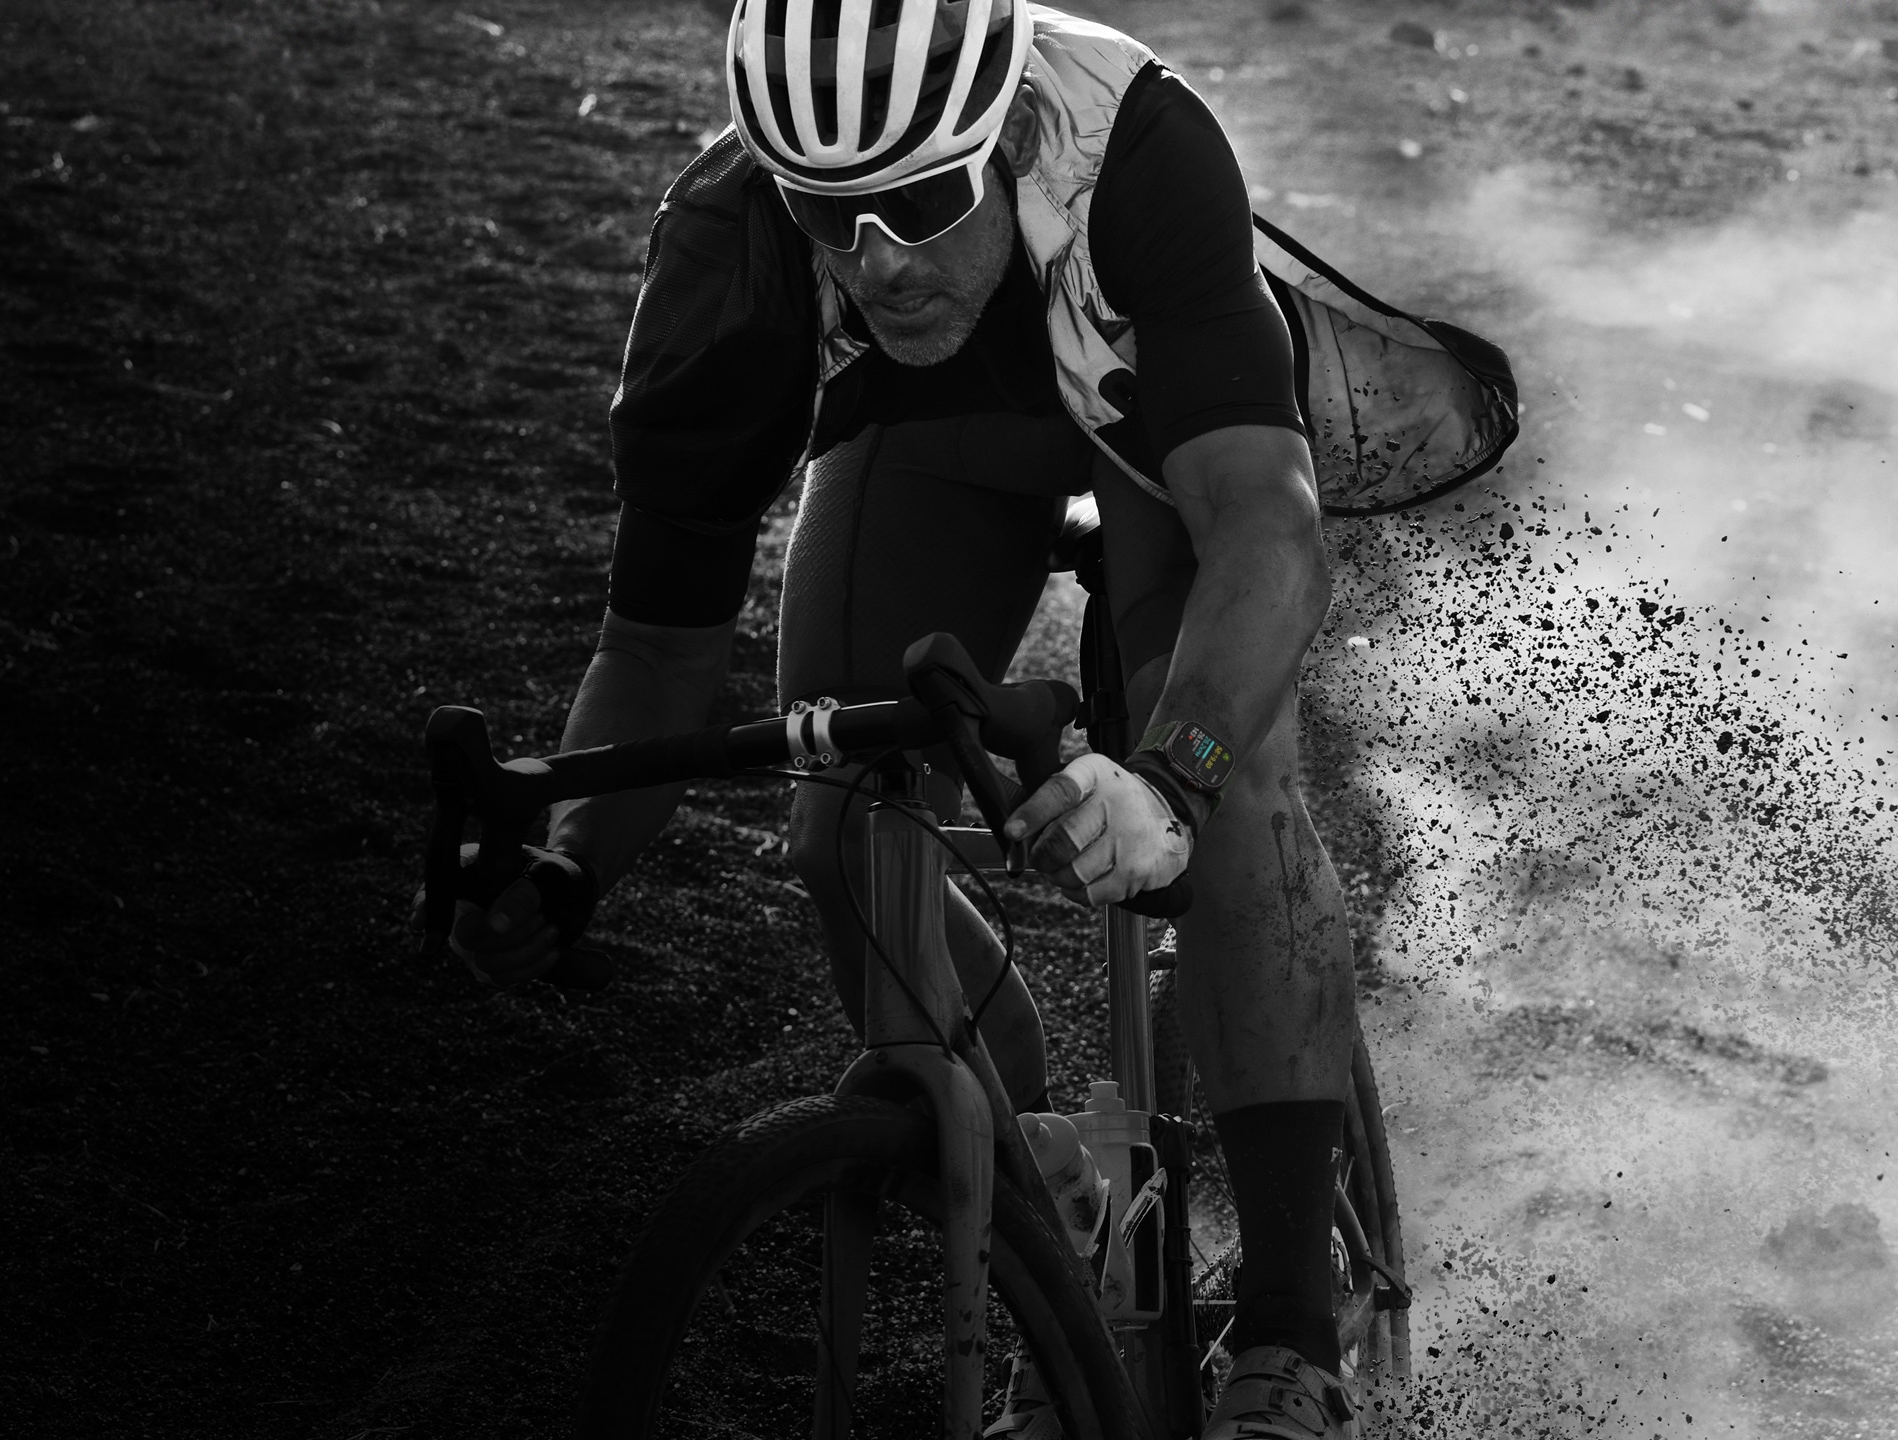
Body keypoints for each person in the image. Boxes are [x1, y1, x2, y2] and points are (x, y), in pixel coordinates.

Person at [443, 1, 1510, 1434]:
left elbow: (1268, 529)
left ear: (1001, 139)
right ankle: (1056, 1218)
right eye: (832, 215)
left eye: (922, 202)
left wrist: (1174, 777)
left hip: (1147, 410)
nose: (878, 260)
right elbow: (653, 648)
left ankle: (1288, 1336)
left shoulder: (1133, 146)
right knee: (844, 823)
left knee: (1232, 786)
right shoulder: (729, 236)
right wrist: (569, 866)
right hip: (933, 427)